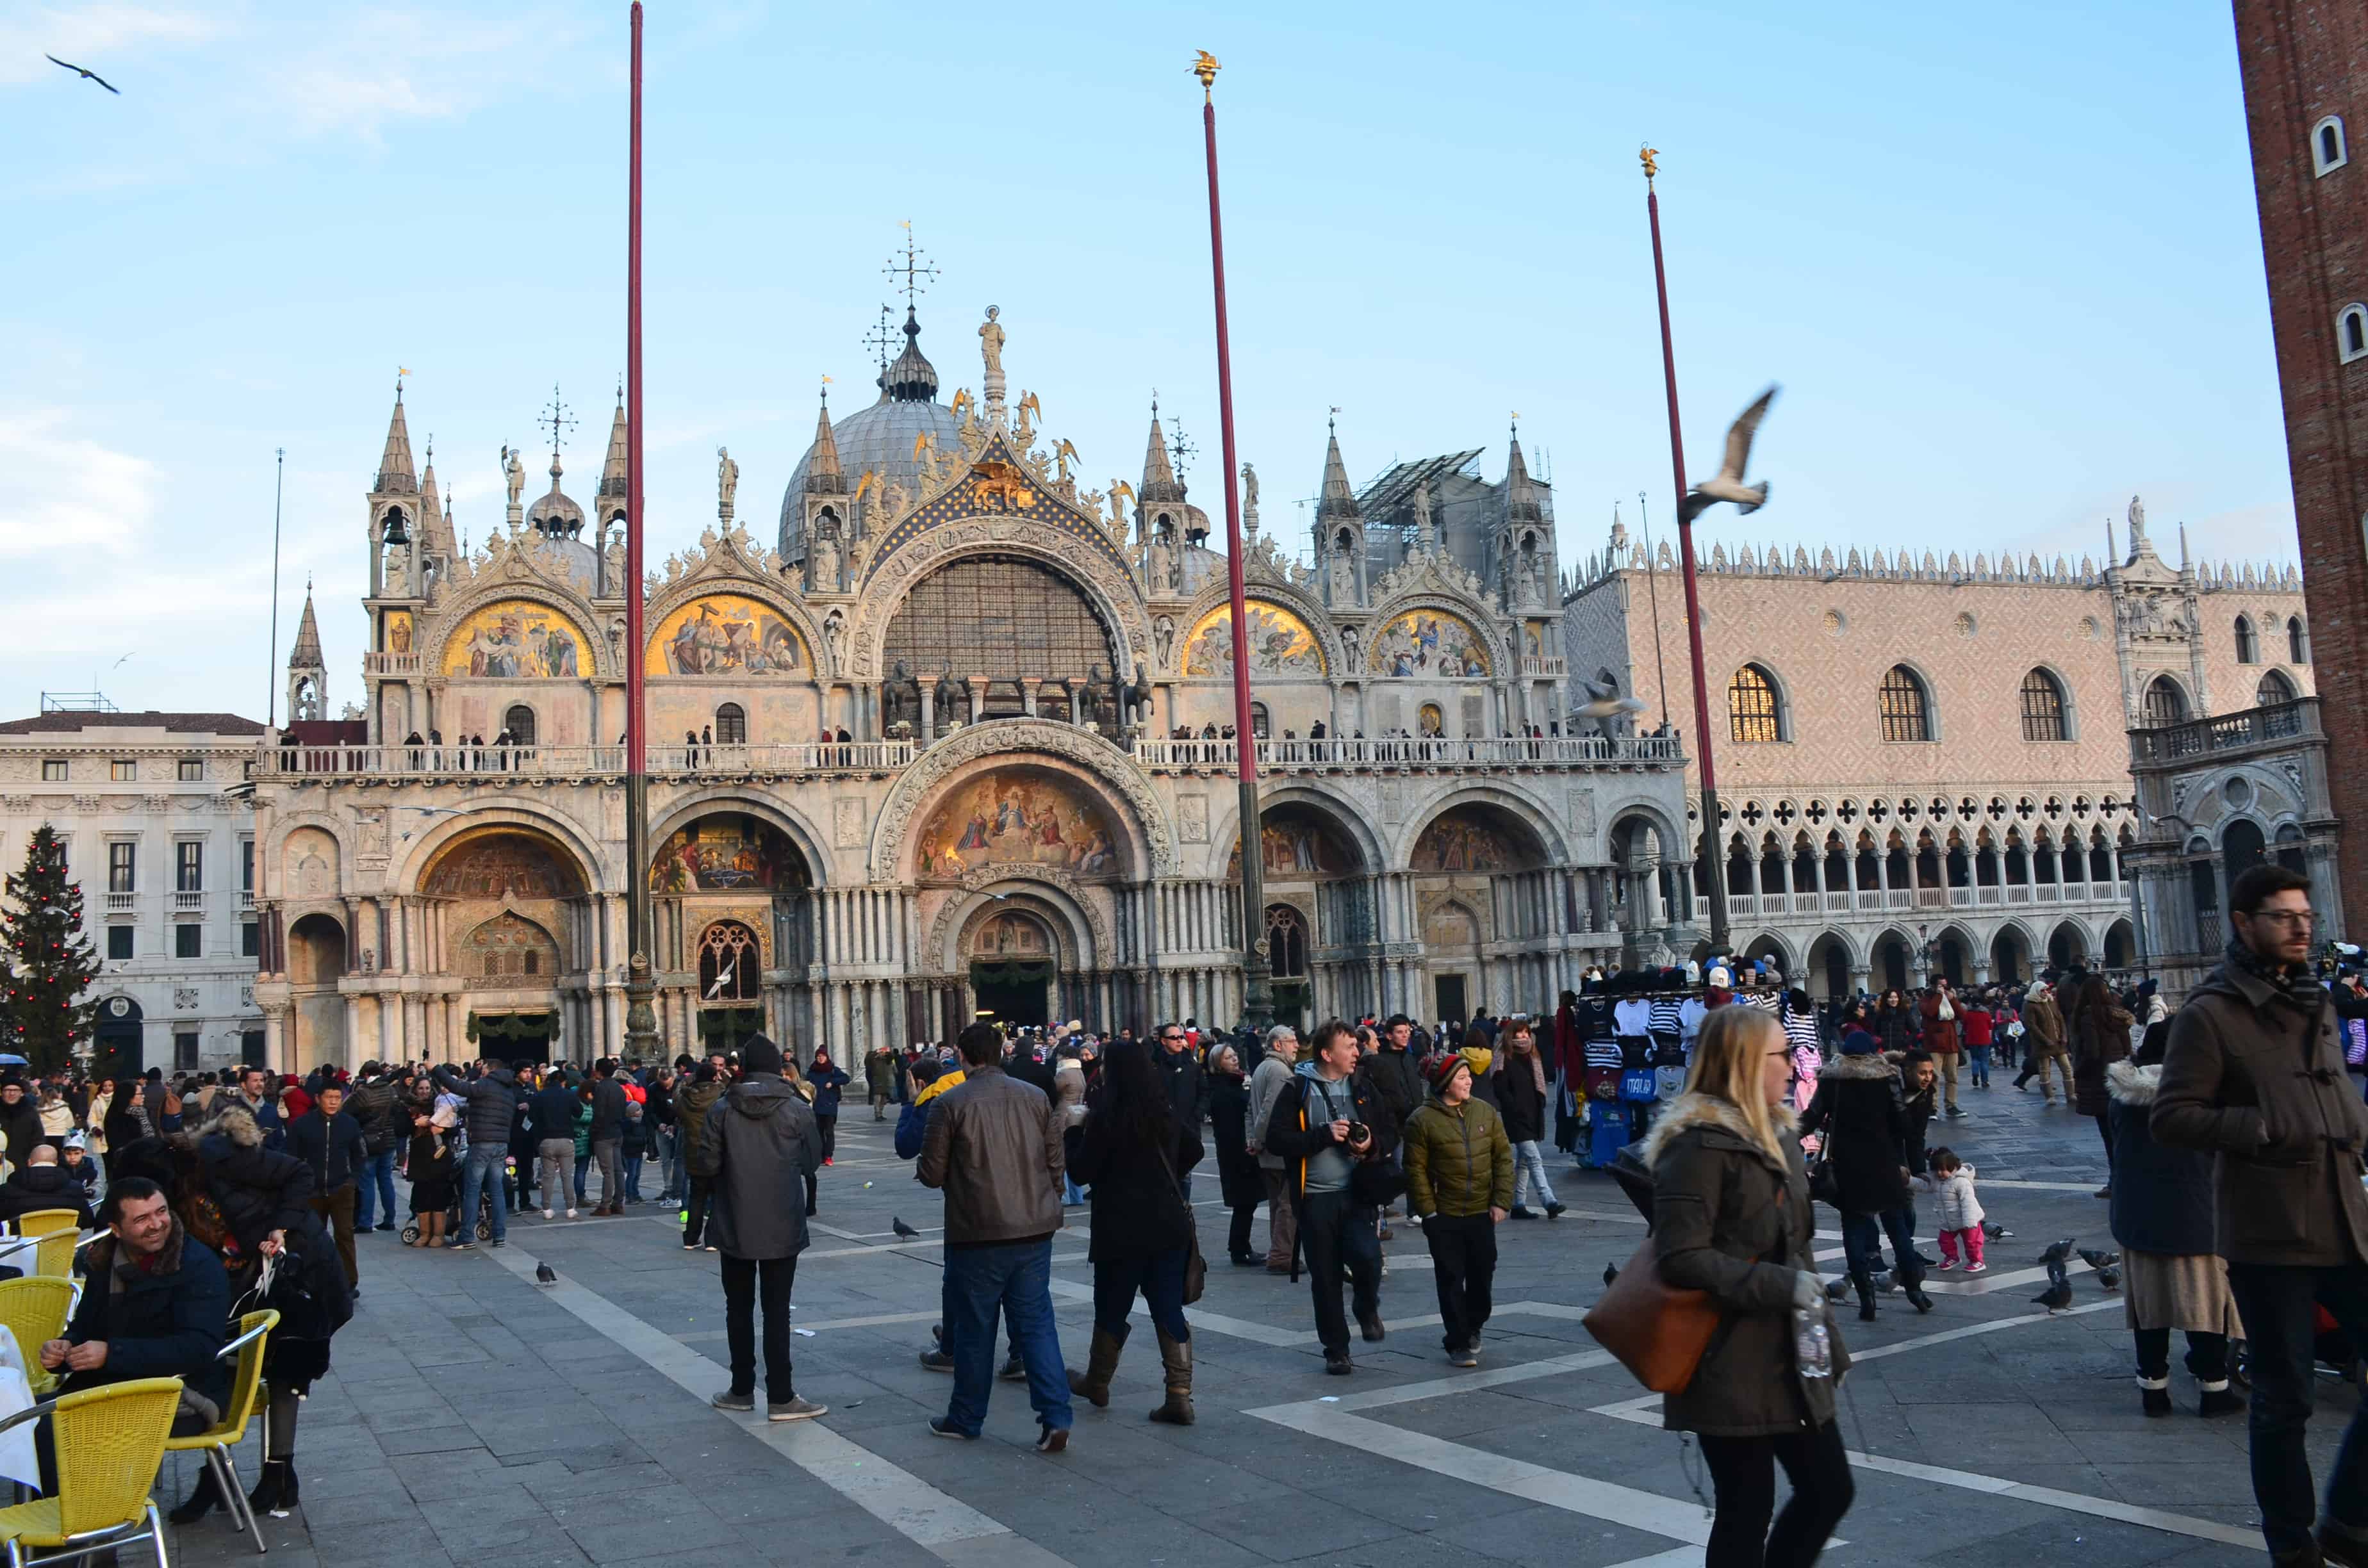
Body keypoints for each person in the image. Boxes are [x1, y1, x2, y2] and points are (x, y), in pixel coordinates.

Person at [2151, 863, 2368, 1565]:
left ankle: (2349, 1517)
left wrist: (2352, 1121)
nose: (2301, 926)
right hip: (2270, 1229)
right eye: (2283, 916)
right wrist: (2265, 1126)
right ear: (2245, 924)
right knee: (2285, 1399)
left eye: (2305, 914)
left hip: (2346, 1216)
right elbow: (2173, 1117)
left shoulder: (2319, 1002)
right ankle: (2293, 1543)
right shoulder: (2210, 1014)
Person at [1643, 1005, 1854, 1567]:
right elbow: (1682, 1258)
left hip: (1791, 1347)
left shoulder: (1780, 1136)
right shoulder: (1696, 1149)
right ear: (1743, 1062)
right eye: (1780, 1054)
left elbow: (1793, 1236)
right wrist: (1781, 1285)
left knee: (1829, 1489)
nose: (1793, 1064)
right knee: (1747, 1506)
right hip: (1728, 1354)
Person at [914, 1020, 1073, 1452]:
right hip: (1035, 1229)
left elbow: (930, 1174)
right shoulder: (1036, 1097)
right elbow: (1055, 1160)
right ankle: (1056, 1417)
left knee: (975, 1330)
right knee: (1038, 1326)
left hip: (978, 1231)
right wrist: (1048, 1199)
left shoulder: (949, 1103)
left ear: (962, 1057)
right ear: (1001, 1053)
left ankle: (965, 1418)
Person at [1062, 1040, 1204, 1424]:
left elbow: (1079, 1172)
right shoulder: (1164, 1111)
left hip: (1120, 1229)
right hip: (1166, 1226)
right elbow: (1195, 1150)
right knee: (1167, 1307)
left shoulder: (1106, 1117)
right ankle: (1179, 1395)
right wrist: (1167, 1173)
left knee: (1111, 1306)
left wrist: (1074, 1131)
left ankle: (1098, 1381)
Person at [2107, 1033, 2242, 1419]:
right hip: (2197, 1218)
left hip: (2138, 1219)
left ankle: (2154, 1393)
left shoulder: (2122, 1097)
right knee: (2206, 1308)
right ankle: (2213, 1391)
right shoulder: (2202, 1097)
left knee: (2149, 1312)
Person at [40, 1179, 229, 1450]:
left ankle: (89, 1493)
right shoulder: (104, 1262)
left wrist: (111, 1353)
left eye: (161, 1212)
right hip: (113, 1385)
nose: (157, 1224)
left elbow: (199, 1348)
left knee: (53, 1431)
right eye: (142, 1219)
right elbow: (85, 1327)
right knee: (19, 1417)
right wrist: (63, 1349)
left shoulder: (198, 1265)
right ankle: (73, 1493)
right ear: (116, 1230)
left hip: (184, 1394)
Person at [696, 1034, 826, 1421]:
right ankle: (781, 1396)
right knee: (777, 1310)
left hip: (733, 1220)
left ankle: (741, 1389)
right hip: (782, 1222)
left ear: (743, 1067)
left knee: (738, 1308)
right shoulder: (797, 1108)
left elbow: (706, 1165)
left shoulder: (721, 1108)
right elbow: (811, 1163)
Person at [1260, 1018, 1401, 1375]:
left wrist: (1370, 1143)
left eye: (1356, 1045)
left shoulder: (1363, 1086)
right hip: (1316, 1197)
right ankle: (1336, 1349)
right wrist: (1322, 1135)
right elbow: (1276, 1140)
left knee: (1369, 1259)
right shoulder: (1297, 1089)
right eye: (1349, 1046)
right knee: (1325, 1277)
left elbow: (1389, 1129)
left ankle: (1366, 1307)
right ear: (1327, 1053)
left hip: (1357, 1193)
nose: (1357, 1051)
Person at [1798, 1027, 1933, 1319]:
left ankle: (1866, 1300)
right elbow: (1902, 1124)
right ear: (1873, 1053)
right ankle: (1915, 1292)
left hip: (1848, 1167)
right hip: (1884, 1163)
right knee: (1899, 1233)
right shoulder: (1885, 1078)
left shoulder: (1832, 1080)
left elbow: (1811, 1117)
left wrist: (1782, 1133)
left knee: (1854, 1233)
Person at [1401, 1050, 1511, 1367]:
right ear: (1446, 1083)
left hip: (1480, 1211)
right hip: (1444, 1214)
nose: (1469, 1082)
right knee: (1450, 1277)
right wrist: (1428, 1211)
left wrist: (1501, 1200)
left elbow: (1502, 1158)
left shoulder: (1485, 1112)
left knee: (1483, 1274)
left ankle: (1474, 1323)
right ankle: (1458, 1339)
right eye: (1462, 1077)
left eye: (1468, 1076)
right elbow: (1415, 1170)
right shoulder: (1421, 1120)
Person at [286, 1081, 366, 1289]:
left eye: (337, 1098)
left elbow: (359, 1154)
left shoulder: (350, 1124)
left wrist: (352, 1180)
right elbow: (291, 1157)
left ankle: (348, 1282)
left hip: (342, 1188)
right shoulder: (302, 1125)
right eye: (329, 1097)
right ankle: (313, 1281)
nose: (333, 1102)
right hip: (312, 1191)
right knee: (312, 1237)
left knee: (345, 1235)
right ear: (318, 1099)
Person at [433, 1058, 520, 1248]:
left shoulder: (486, 1084)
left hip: (482, 1143)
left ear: (491, 1071)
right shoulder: (507, 1090)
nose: (481, 1073)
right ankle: (499, 1236)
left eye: (484, 1070)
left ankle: (467, 1236)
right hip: (501, 1144)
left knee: (472, 1189)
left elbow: (457, 1086)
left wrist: (435, 1069)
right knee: (496, 1189)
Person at [1490, 1018, 1563, 1220]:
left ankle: (1518, 1204)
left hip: (1533, 1114)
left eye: (1525, 1033)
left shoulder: (1533, 1054)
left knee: (1523, 1161)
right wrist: (1513, 1107)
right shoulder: (1503, 1056)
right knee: (1534, 1158)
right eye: (1518, 1033)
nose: (1523, 1037)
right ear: (1510, 1035)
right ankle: (1549, 1200)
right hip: (1516, 1116)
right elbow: (1501, 1089)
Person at [2069, 972, 2134, 1196]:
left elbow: (2093, 1052)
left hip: (2099, 1081)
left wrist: (2079, 1070)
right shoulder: (2119, 1016)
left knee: (2108, 1135)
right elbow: (2128, 1049)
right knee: (2121, 1133)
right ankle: (2126, 1180)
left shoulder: (2089, 1018)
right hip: (2121, 1079)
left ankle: (2116, 1182)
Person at [1203, 1043, 1263, 1266]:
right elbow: (1230, 1128)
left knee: (1247, 1202)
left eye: (1235, 1055)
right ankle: (1240, 1249)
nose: (1235, 1059)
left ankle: (1240, 1246)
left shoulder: (1234, 1083)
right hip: (1237, 1153)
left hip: (1239, 1151)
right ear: (1218, 1064)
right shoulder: (1223, 1089)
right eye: (1229, 1058)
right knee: (1244, 1202)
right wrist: (1244, 1149)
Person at [1246, 1025, 1299, 1273]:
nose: (1297, 1045)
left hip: (1266, 1150)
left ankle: (1279, 1251)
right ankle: (1281, 1256)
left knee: (1278, 1204)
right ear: (1278, 1045)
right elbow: (1269, 1111)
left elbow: (1251, 1111)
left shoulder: (1262, 1068)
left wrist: (1253, 1140)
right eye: (1292, 1041)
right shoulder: (1279, 1071)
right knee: (1288, 1206)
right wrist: (1257, 1140)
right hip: (1278, 1149)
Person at [345, 1061, 404, 1234]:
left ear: (365, 1075)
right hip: (389, 1140)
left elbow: (346, 1112)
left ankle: (365, 1222)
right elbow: (397, 1111)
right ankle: (390, 1219)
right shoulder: (391, 1090)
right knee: (386, 1180)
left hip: (369, 1141)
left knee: (367, 1182)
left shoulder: (362, 1093)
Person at [674, 1064, 725, 1247]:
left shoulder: (686, 1098)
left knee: (697, 1198)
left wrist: (685, 1084)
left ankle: (690, 1238)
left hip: (694, 1152)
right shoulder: (720, 1095)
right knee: (718, 1198)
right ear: (714, 1077)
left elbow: (676, 1105)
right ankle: (712, 1240)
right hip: (716, 1151)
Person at [527, 1068, 581, 1221]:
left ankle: (546, 1209)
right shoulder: (569, 1095)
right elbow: (579, 1112)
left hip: (546, 1140)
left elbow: (531, 1117)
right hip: (566, 1139)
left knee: (548, 1176)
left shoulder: (540, 1096)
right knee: (567, 1176)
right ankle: (570, 1208)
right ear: (563, 1082)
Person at [0, 1144, 94, 1230]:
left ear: (29, 1162)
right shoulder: (75, 1188)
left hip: (23, 1245)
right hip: (62, 1243)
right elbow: (87, 1221)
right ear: (56, 1162)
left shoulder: (7, 1190)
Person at [1925, 1147, 1984, 1273]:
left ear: (1953, 1167)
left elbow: (1968, 1202)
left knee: (1972, 1242)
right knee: (1944, 1241)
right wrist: (1909, 1181)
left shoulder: (1961, 1182)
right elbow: (1925, 1186)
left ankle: (1977, 1261)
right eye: (1936, 1170)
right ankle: (1952, 1257)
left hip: (1968, 1219)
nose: (1940, 1173)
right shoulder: (1937, 1181)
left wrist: (1970, 1221)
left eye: (1943, 1170)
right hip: (1949, 1219)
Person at [2015, 974, 2069, 1100]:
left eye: (2047, 990)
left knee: (2066, 1068)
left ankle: (2070, 1094)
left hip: (2058, 1042)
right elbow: (2032, 1025)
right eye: (2043, 990)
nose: (2046, 992)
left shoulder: (2051, 1002)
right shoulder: (2030, 1005)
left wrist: (2064, 1035)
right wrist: (2045, 1040)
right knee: (2044, 1070)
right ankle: (2049, 1096)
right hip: (2042, 1044)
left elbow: (2060, 1019)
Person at [587, 1059, 629, 1215]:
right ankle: (618, 1202)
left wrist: (594, 1132)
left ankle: (605, 1205)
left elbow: (599, 1113)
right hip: (617, 1131)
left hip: (604, 1134)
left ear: (599, 1071)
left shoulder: (601, 1088)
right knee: (618, 1169)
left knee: (607, 1171)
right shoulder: (619, 1088)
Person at [1919, 977, 1965, 1118]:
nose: (1944, 989)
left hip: (1951, 1045)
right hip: (1934, 1045)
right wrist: (1939, 996)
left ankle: (1951, 1105)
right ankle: (1932, 1107)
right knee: (1934, 1078)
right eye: (1941, 986)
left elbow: (1962, 1015)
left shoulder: (1949, 999)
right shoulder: (1926, 999)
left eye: (1946, 986)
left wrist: (1953, 1000)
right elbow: (1930, 1013)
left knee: (1952, 1077)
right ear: (1933, 986)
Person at [408, 1109, 455, 1246]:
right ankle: (424, 1234)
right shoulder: (408, 1107)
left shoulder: (441, 1106)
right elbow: (399, 1129)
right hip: (419, 1160)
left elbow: (455, 1128)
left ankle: (438, 1235)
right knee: (421, 1196)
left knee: (439, 1196)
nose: (425, 1092)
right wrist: (416, 1123)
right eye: (421, 1088)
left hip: (440, 1160)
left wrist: (443, 1131)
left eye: (427, 1088)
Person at [807, 1050, 849, 1166]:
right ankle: (821, 1156)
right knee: (819, 1132)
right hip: (817, 1104)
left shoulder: (833, 1069)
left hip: (830, 1105)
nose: (820, 1058)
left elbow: (846, 1079)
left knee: (829, 1132)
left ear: (827, 1057)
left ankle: (828, 1155)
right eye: (818, 1056)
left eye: (822, 1056)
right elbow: (806, 1083)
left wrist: (833, 1082)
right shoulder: (812, 1071)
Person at [0, 1079, 43, 1173]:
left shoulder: (30, 1112)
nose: (12, 1094)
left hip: (23, 1164)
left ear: (22, 1093)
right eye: (8, 1090)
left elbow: (38, 1138)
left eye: (16, 1090)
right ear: (2, 1092)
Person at [866, 1045, 900, 1122]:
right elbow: (868, 1059)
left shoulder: (887, 1060)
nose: (882, 1054)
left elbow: (891, 1056)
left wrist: (887, 1051)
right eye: (881, 1053)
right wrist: (876, 1052)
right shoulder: (874, 1061)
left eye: (883, 1053)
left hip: (885, 1082)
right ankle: (877, 1115)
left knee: (883, 1100)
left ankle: (881, 1113)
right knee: (877, 1100)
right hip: (878, 1082)